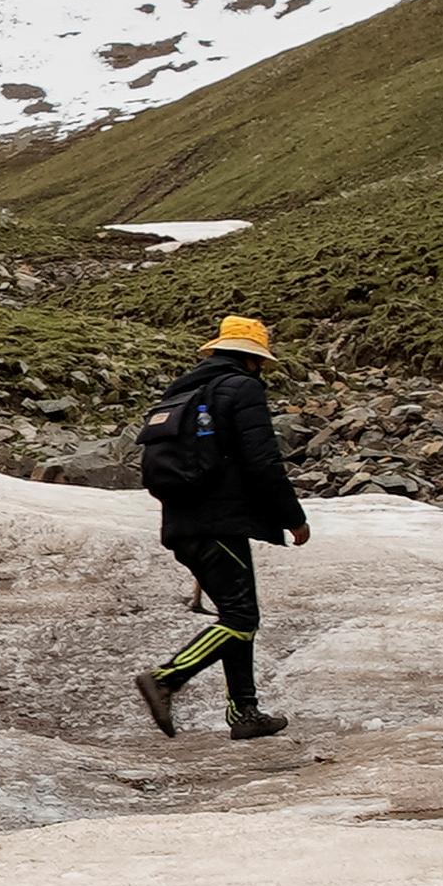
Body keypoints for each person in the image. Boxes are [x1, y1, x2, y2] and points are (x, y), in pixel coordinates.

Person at [132, 313, 308, 742]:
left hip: (183, 521)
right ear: (254, 359)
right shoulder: (242, 389)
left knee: (236, 614)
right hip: (217, 522)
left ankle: (245, 712)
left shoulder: (189, 389)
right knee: (241, 618)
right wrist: (293, 517)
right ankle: (166, 678)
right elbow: (262, 461)